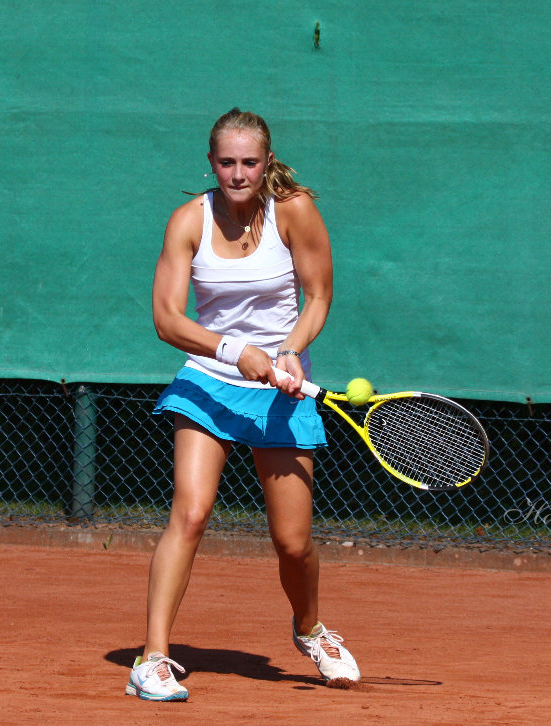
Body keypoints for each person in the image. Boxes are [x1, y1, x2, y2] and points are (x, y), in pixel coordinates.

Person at [126, 108, 360, 702]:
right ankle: (152, 657)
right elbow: (167, 319)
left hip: (280, 387)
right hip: (207, 381)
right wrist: (235, 349)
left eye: (248, 162)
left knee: (293, 542)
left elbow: (319, 296)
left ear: (267, 162)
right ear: (211, 163)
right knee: (192, 511)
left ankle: (309, 629)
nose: (237, 173)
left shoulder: (295, 211)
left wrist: (289, 350)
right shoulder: (188, 221)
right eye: (226, 162)